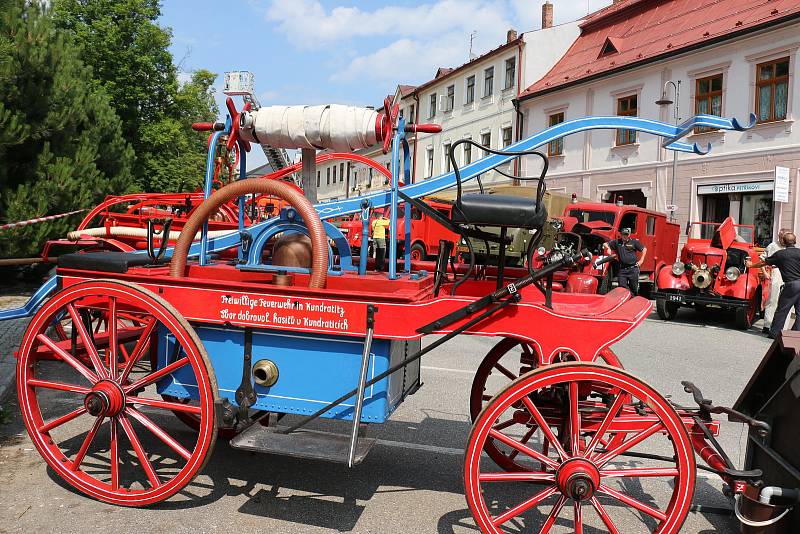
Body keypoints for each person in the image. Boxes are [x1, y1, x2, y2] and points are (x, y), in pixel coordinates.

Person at [747, 232, 800, 338]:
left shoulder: (781, 254)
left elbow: (764, 263)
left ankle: (774, 334)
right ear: (795, 241)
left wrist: (751, 265)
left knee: (782, 309)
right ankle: (796, 335)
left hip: (791, 284)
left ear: (784, 242)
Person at [762, 228, 791, 334]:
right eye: (781, 237)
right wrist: (765, 272)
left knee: (786, 301)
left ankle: (783, 327)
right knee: (772, 299)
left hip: (788, 273)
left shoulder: (790, 247)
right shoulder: (773, 246)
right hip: (776, 271)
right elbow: (763, 259)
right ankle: (767, 324)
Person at [603, 228, 647, 295]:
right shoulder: (617, 242)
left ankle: (633, 298)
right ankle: (629, 297)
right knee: (622, 287)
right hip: (622, 270)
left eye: (626, 234)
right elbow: (605, 244)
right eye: (623, 234)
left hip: (633, 269)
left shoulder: (634, 242)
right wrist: (608, 248)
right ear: (621, 234)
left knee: (634, 288)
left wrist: (641, 260)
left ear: (629, 235)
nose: (625, 236)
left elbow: (644, 249)